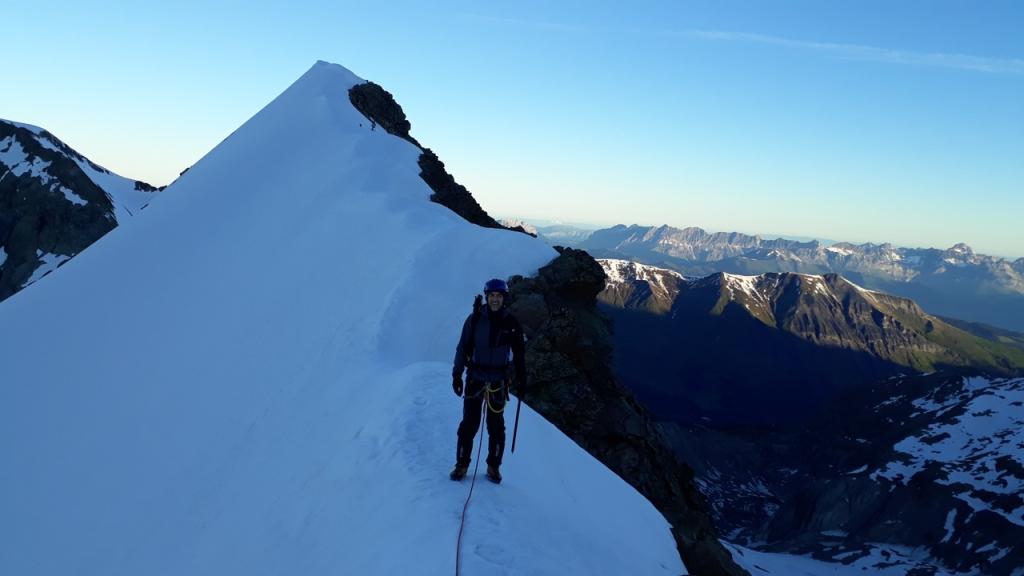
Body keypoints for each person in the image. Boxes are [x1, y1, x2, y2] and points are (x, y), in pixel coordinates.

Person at [450, 278, 526, 484]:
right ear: (486, 297)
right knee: (469, 425)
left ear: (504, 298)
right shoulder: (475, 319)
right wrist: (457, 375)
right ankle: (462, 465)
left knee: (496, 427)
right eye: (491, 295)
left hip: (498, 381)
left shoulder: (511, 323)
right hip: (476, 378)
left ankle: (493, 467)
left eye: (498, 296)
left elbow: (519, 353)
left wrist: (523, 378)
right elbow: (462, 348)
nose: (495, 299)